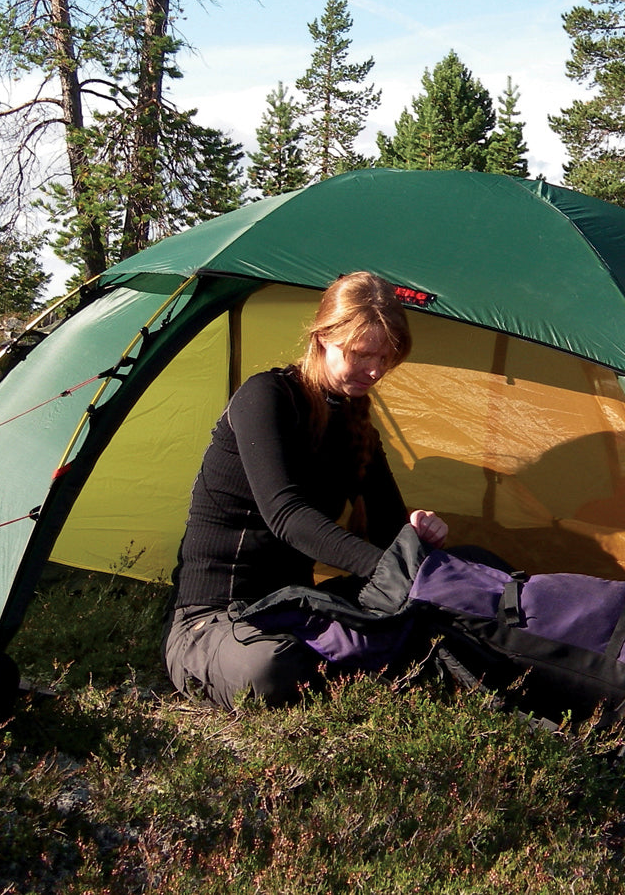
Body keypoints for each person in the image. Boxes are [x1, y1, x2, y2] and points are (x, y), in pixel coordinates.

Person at [164, 271, 448, 709]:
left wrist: (416, 536)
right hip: (215, 619)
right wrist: (390, 569)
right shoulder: (266, 396)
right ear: (322, 339)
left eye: (386, 357)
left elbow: (390, 527)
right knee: (275, 668)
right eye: (361, 354)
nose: (375, 370)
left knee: (448, 600)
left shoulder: (358, 428)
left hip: (298, 608)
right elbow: (286, 516)